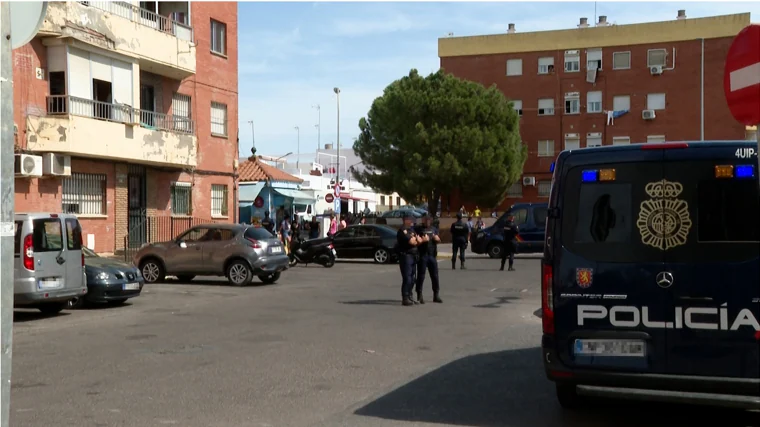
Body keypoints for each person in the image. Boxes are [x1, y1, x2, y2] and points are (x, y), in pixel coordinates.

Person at [414, 214, 442, 304]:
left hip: (432, 255)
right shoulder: (418, 229)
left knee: (435, 276)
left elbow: (438, 240)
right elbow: (415, 242)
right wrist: (422, 240)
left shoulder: (434, 229)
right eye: (426, 220)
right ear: (423, 220)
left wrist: (437, 239)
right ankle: (419, 294)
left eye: (429, 220)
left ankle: (436, 294)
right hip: (423, 255)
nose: (427, 221)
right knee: (421, 276)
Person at [397, 211, 421, 306]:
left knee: (413, 278)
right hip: (406, 256)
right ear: (405, 220)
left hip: (413, 255)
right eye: (410, 219)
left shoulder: (412, 230)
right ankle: (405, 297)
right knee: (407, 278)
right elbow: (412, 242)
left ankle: (410, 296)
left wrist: (417, 240)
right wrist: (417, 240)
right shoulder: (402, 231)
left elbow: (418, 240)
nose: (412, 221)